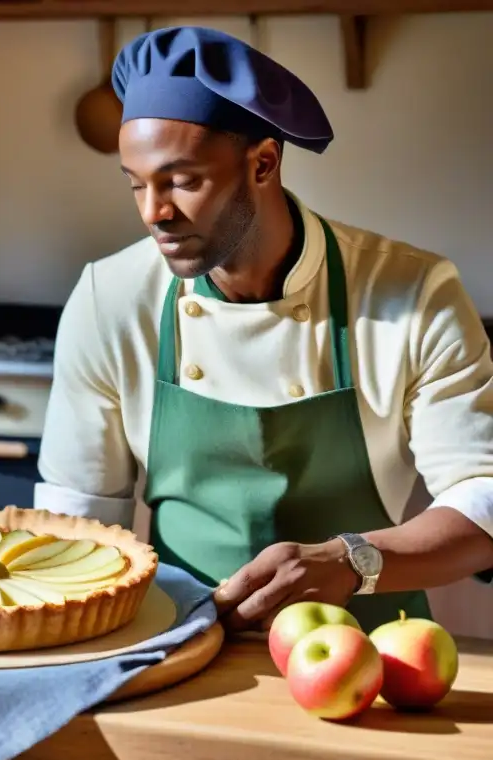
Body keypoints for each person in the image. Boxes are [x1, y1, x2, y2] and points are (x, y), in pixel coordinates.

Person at [34, 25, 493, 634]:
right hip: (183, 643)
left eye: (183, 181)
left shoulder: (410, 293)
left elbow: (482, 497)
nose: (155, 213)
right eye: (137, 184)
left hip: (376, 649)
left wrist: (352, 560)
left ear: (264, 162)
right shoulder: (108, 299)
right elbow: (79, 521)